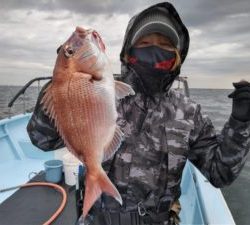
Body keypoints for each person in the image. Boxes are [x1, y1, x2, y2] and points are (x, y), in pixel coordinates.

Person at [27, 2, 250, 225]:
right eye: (145, 43)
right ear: (129, 51)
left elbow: (220, 172)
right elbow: (42, 140)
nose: (154, 49)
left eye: (164, 44)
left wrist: (240, 123)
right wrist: (62, 82)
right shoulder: (107, 93)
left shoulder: (189, 112)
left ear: (177, 55)